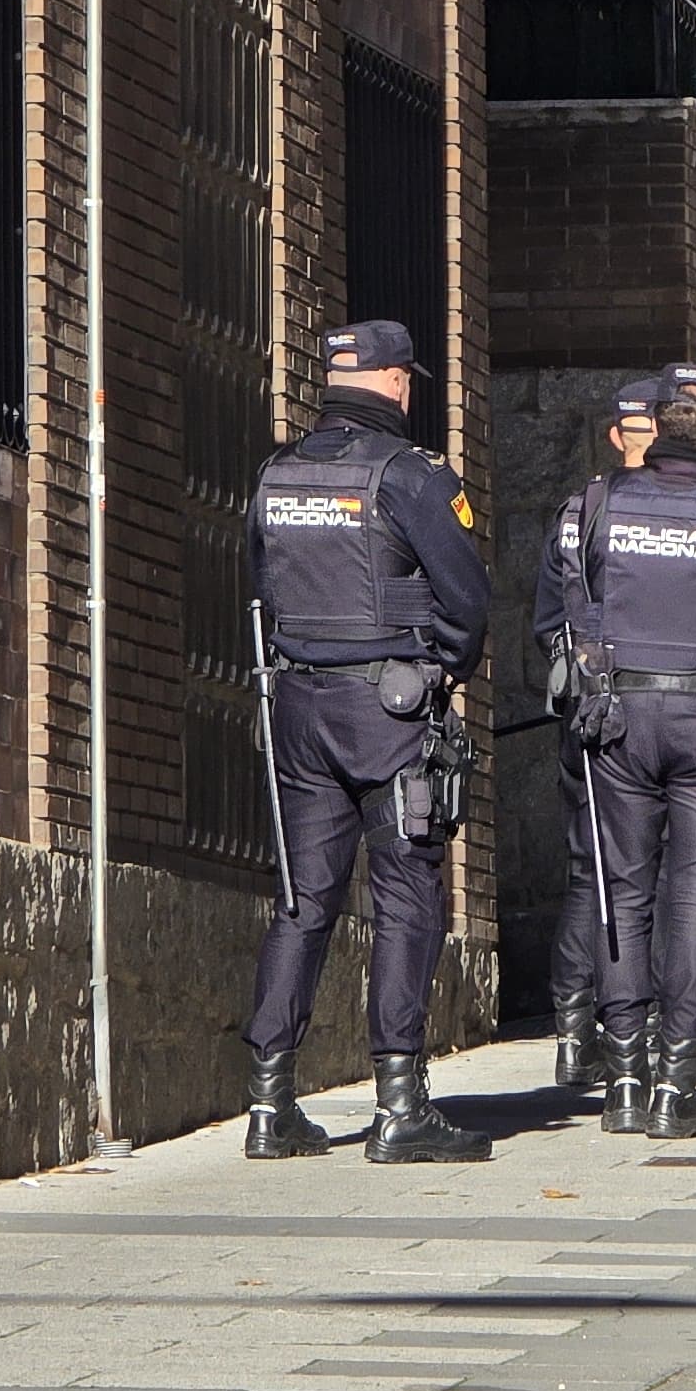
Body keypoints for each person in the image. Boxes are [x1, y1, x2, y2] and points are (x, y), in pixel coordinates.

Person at [239, 320, 495, 1165]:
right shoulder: (410, 477)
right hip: (386, 714)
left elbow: (260, 583)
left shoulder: (277, 474)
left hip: (299, 709)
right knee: (406, 896)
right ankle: (400, 1105)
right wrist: (440, 675)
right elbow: (466, 599)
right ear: (394, 383)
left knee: (304, 900)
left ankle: (270, 1102)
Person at [548, 365, 696, 1139]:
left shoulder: (595, 502)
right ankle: (676, 1082)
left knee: (622, 889)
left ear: (654, 427)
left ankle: (622, 1080)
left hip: (615, 716)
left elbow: (562, 599)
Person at [533, 379, 668, 1096]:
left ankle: (574, 1032)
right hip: (662, 712)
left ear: (617, 434)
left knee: (592, 872)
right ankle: (647, 1035)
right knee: (662, 875)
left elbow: (546, 621)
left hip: (588, 711)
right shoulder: (679, 507)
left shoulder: (578, 510)